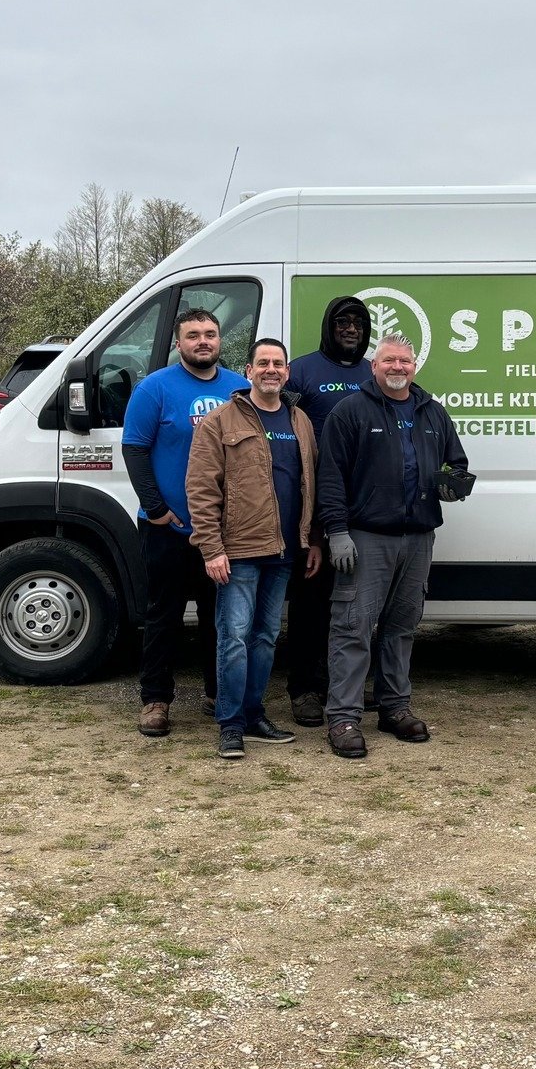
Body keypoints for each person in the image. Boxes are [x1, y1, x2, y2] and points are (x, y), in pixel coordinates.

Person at [316, 332, 471, 759]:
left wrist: (452, 484)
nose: (397, 367)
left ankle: (394, 707)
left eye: (404, 361)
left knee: (402, 628)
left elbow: (456, 463)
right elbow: (330, 476)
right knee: (352, 627)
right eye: (389, 361)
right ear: (374, 366)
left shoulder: (432, 412)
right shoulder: (350, 412)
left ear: (414, 367)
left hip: (418, 538)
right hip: (366, 538)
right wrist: (336, 530)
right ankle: (344, 717)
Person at [186, 337, 321, 759]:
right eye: (263, 363)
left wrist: (312, 538)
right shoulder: (221, 422)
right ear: (248, 371)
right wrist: (211, 549)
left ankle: (254, 713)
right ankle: (230, 723)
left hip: (284, 551)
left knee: (264, 638)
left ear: (286, 372)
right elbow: (201, 489)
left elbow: (310, 484)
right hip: (239, 551)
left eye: (278, 364)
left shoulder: (299, 420)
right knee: (234, 638)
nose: (271, 370)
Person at [122, 308, 248, 737]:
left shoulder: (240, 390)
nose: (203, 342)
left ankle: (220, 693)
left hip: (223, 531)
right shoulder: (154, 388)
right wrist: (156, 508)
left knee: (222, 617)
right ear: (180, 343)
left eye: (210, 334)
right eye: (193, 335)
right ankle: (156, 699)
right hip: (166, 528)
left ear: (219, 341)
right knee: (164, 616)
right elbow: (135, 450)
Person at [284, 296, 374, 727]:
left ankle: (350, 685)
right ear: (328, 327)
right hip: (313, 510)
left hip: (366, 510)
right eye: (342, 322)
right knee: (311, 604)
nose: (351, 329)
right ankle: (305, 688)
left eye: (358, 322)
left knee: (358, 605)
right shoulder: (301, 372)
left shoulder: (375, 374)